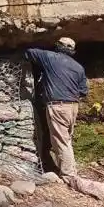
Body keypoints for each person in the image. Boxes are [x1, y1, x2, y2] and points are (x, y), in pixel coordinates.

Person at [24, 37, 88, 181]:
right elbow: (83, 91)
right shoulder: (79, 67)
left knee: (60, 141)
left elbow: (29, 52)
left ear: (58, 46)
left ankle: (69, 175)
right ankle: (68, 169)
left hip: (58, 106)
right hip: (73, 107)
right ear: (72, 51)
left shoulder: (50, 57)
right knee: (66, 140)